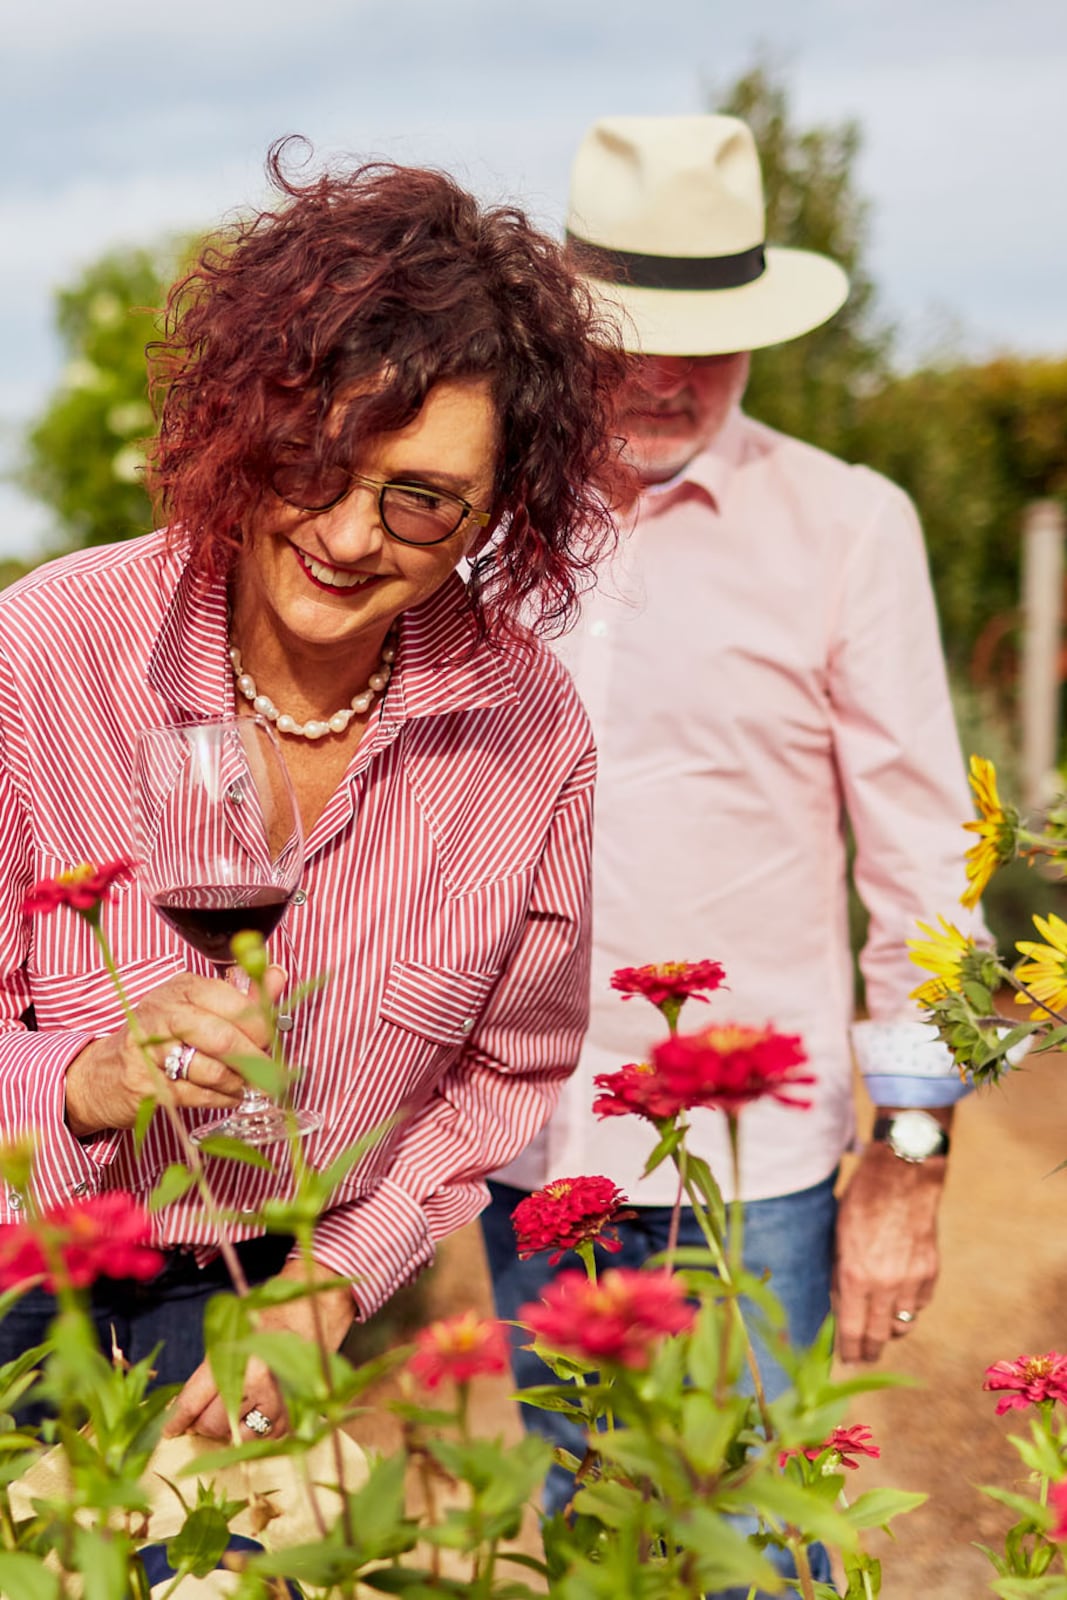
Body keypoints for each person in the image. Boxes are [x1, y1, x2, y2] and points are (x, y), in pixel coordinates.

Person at [0, 139, 630, 1441]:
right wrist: (82, 1080)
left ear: (499, 508)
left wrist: (339, 1282)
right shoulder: (46, 650)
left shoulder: (527, 732)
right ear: (251, 421)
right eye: (316, 463)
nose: (349, 538)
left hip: (265, 1308)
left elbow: (507, 1069)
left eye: (421, 502)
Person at [481, 114, 981, 1582]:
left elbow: (928, 863)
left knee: (760, 1556)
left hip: (749, 1183)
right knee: (591, 1546)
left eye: (715, 332)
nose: (672, 372)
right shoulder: (477, 527)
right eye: (634, 330)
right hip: (531, 1157)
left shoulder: (845, 527)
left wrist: (912, 1155)